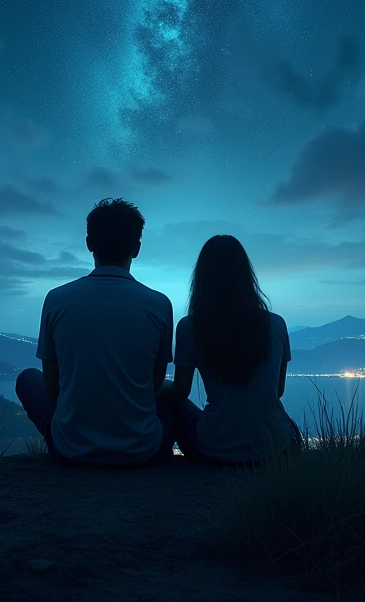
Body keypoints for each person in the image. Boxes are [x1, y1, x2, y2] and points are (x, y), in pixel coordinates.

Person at [16, 197, 175, 467]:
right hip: (143, 450)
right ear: (136, 248)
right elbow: (152, 385)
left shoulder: (57, 300)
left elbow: (52, 387)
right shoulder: (159, 305)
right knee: (174, 395)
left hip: (70, 449)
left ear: (89, 244)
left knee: (28, 378)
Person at [158, 235, 302, 465]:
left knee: (172, 406)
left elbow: (179, 393)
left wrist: (153, 386)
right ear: (246, 276)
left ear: (202, 278)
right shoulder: (276, 324)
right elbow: (278, 391)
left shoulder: (189, 327)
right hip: (276, 450)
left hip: (212, 451)